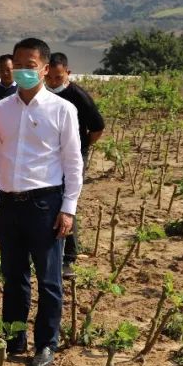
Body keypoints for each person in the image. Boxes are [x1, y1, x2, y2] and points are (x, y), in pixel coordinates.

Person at [0, 38, 83, 366]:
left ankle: (45, 343)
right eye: (19, 64)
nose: (24, 71)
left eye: (31, 65)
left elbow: (73, 162)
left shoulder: (62, 109)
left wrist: (68, 208)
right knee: (14, 276)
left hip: (46, 203)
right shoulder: (2, 109)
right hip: (9, 203)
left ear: (44, 68)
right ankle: (13, 338)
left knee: (49, 279)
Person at [45, 52, 106, 277]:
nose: (53, 82)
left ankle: (68, 258)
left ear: (68, 73)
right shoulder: (41, 94)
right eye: (49, 78)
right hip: (50, 156)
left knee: (66, 201)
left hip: (73, 155)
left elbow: (97, 127)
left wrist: (81, 148)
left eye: (58, 78)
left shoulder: (78, 96)